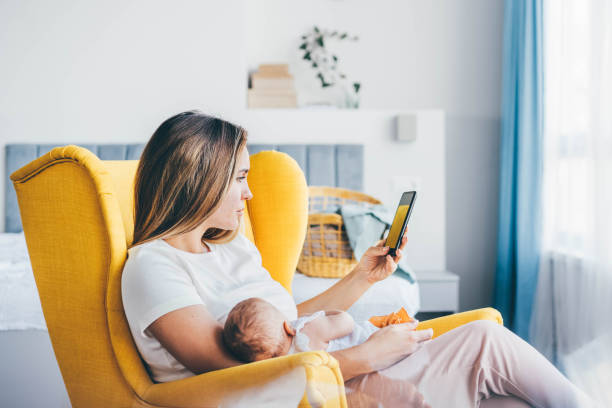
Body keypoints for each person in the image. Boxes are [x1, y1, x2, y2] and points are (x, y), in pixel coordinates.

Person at [121, 110, 595, 407]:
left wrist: (361, 279)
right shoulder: (153, 266)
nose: (248, 193)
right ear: (200, 180)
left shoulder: (229, 245)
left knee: (508, 400)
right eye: (240, 178)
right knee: (486, 342)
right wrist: (363, 356)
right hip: (312, 391)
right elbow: (236, 374)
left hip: (332, 368)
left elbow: (289, 321)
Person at [222, 297, 418, 363]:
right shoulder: (307, 330)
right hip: (372, 342)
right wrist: (327, 313)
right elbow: (347, 323)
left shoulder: (281, 365)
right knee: (381, 323)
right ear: (287, 326)